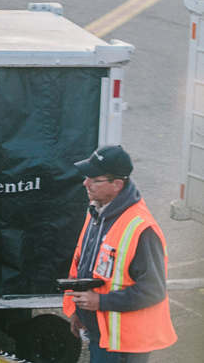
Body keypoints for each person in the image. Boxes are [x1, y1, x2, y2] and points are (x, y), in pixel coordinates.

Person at [63, 145, 177, 363]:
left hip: (125, 346)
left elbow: (153, 291)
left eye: (94, 179)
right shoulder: (98, 211)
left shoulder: (141, 229)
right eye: (87, 177)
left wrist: (100, 302)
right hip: (102, 336)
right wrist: (79, 311)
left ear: (117, 184)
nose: (85, 183)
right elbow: (86, 265)